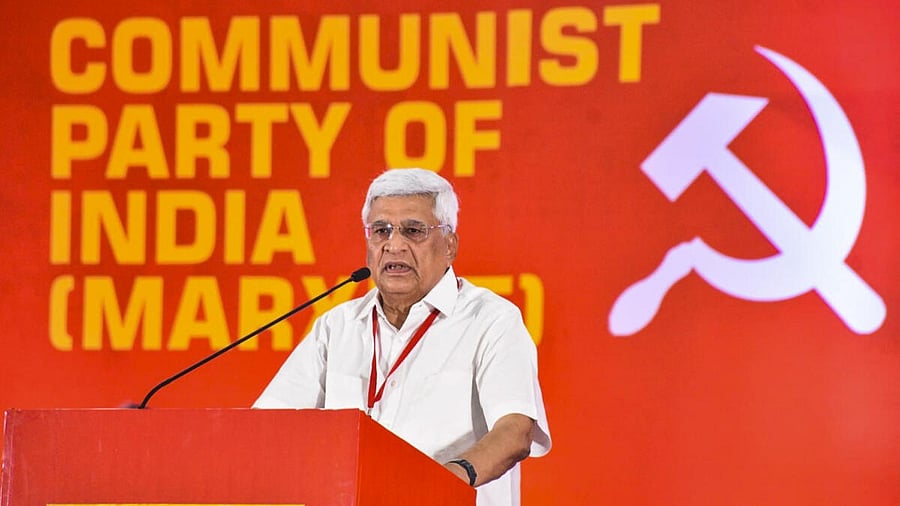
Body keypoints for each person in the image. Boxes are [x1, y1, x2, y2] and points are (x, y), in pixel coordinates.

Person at [254, 168, 551, 506]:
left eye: (413, 230)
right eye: (381, 231)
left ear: (450, 244)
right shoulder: (337, 327)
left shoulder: (492, 321)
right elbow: (268, 430)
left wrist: (441, 482)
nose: (394, 244)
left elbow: (515, 432)